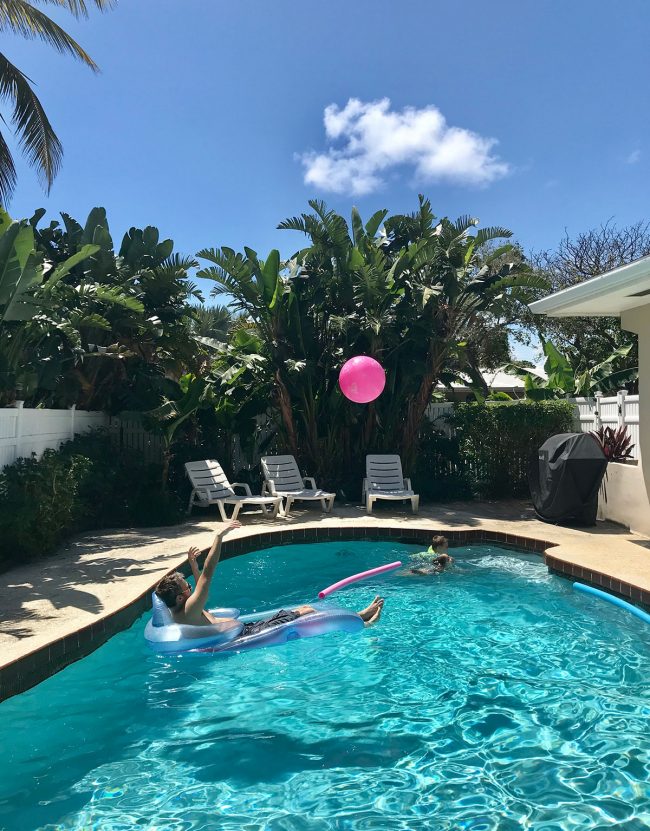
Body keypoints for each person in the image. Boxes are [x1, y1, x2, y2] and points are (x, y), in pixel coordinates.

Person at [155, 521, 384, 635]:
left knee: (305, 608)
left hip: (245, 628)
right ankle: (363, 623)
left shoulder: (179, 610)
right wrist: (219, 537)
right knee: (308, 612)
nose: (191, 588)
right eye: (186, 588)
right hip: (246, 635)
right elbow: (208, 574)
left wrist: (192, 566)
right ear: (178, 598)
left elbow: (198, 589)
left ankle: (360, 615)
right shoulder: (188, 609)